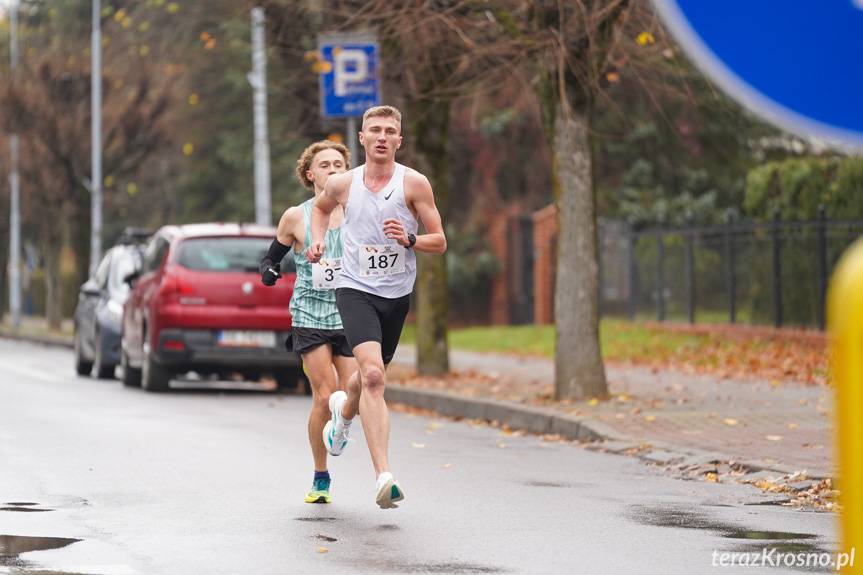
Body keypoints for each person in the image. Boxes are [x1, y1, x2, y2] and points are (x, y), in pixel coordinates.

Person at [307, 105, 447, 509]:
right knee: (372, 375)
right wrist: (317, 240)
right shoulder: (343, 184)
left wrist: (410, 239)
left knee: (365, 380)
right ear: (362, 138)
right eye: (375, 130)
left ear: (399, 140)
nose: (382, 137)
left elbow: (440, 241)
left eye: (389, 131)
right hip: (354, 288)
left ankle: (342, 418)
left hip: (396, 294)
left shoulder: (414, 183)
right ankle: (384, 477)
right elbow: (320, 209)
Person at [259, 140, 358, 505]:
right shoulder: (295, 217)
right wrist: (269, 271)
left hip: (351, 312)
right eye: (325, 165)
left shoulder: (359, 212)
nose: (333, 170)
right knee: (324, 394)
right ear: (310, 174)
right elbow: (271, 258)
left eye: (339, 164)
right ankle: (320, 477)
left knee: (354, 392)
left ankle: (340, 428)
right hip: (310, 313)